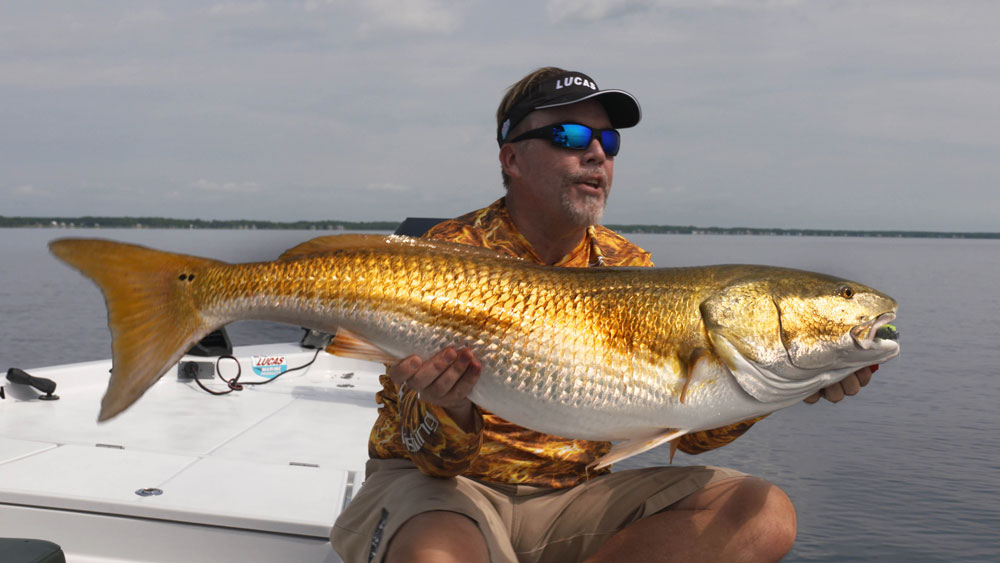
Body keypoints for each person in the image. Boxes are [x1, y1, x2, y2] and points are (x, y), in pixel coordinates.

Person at [331, 67, 876, 562]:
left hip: (573, 496)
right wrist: (450, 408)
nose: (596, 154)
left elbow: (685, 433)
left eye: (608, 141)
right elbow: (431, 458)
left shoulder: (628, 266)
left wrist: (778, 383)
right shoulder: (448, 256)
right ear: (511, 158)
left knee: (762, 514)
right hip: (446, 489)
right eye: (569, 136)